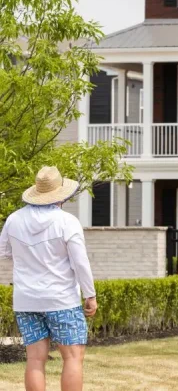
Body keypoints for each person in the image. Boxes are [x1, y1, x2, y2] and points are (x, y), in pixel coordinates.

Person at [0, 166, 98, 391]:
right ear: (61, 195)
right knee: (72, 357)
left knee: (35, 359)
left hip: (26, 300)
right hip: (62, 299)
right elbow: (80, 262)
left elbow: (3, 252)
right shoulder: (67, 222)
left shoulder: (14, 219)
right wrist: (90, 295)